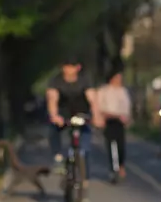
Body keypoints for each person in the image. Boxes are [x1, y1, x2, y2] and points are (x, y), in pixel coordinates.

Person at [45, 57, 103, 186]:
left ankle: (84, 180)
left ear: (78, 67)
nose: (68, 69)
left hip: (81, 113)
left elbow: (92, 99)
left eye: (71, 66)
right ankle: (58, 157)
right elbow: (52, 99)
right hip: (63, 114)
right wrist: (54, 116)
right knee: (53, 130)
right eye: (66, 66)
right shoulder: (56, 80)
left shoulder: (84, 80)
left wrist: (97, 116)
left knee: (85, 147)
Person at [98, 63, 132, 181]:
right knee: (111, 145)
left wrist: (127, 118)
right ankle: (113, 168)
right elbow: (99, 106)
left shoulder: (123, 91)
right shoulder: (104, 91)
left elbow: (127, 107)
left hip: (120, 122)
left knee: (121, 145)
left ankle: (121, 165)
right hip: (109, 120)